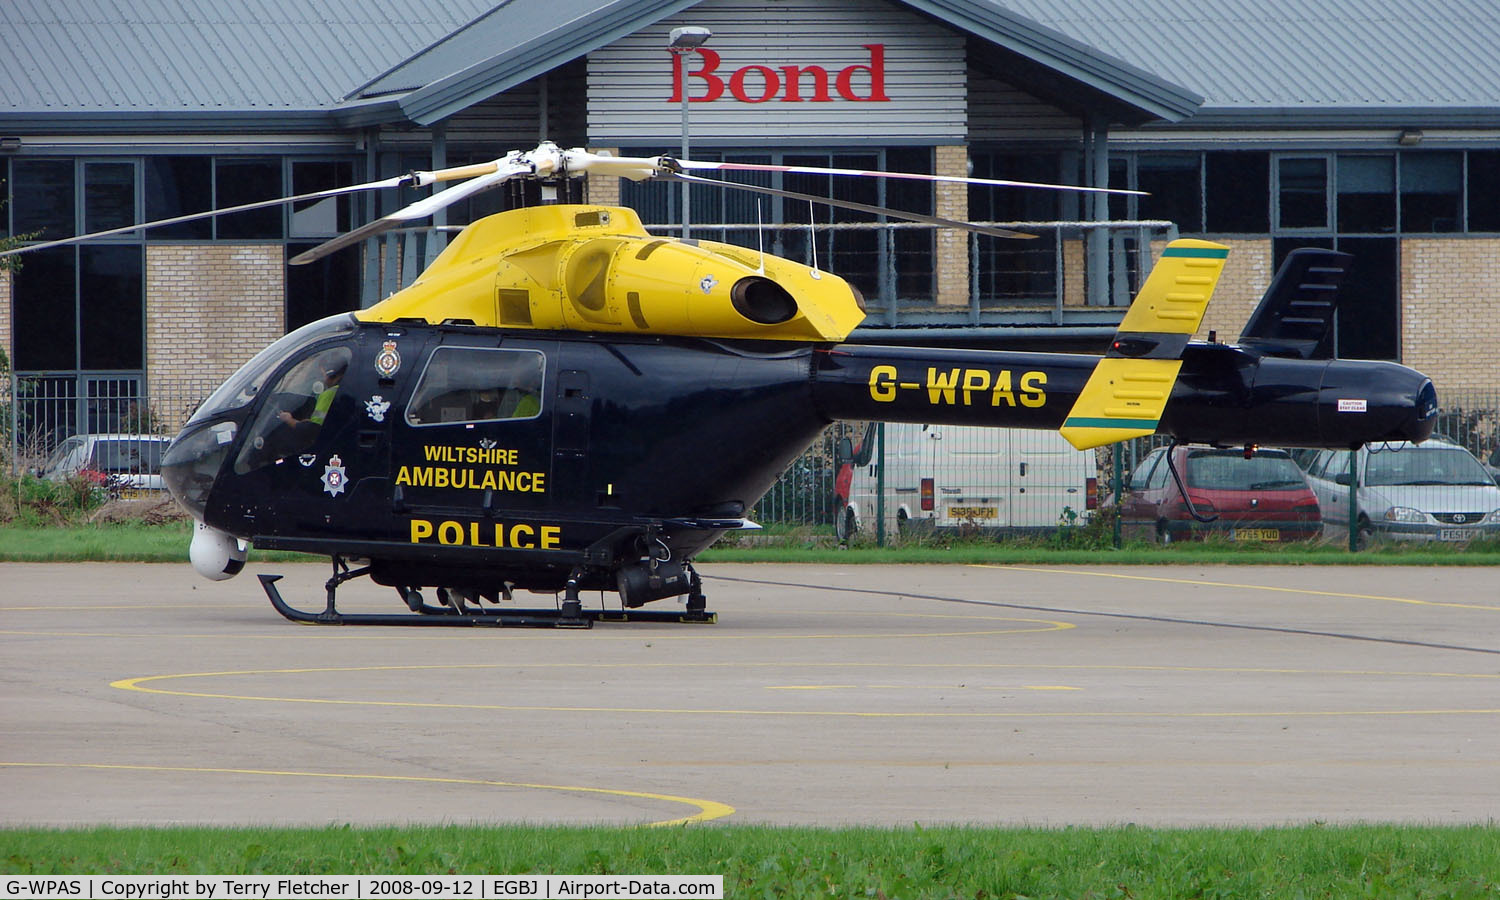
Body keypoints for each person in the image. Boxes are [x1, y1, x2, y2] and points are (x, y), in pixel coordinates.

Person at [279, 361, 345, 429]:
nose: (323, 378)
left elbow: (313, 428)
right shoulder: (343, 392)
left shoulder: (329, 394)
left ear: (330, 374)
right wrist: (309, 421)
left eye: (323, 374)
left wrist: (289, 420)